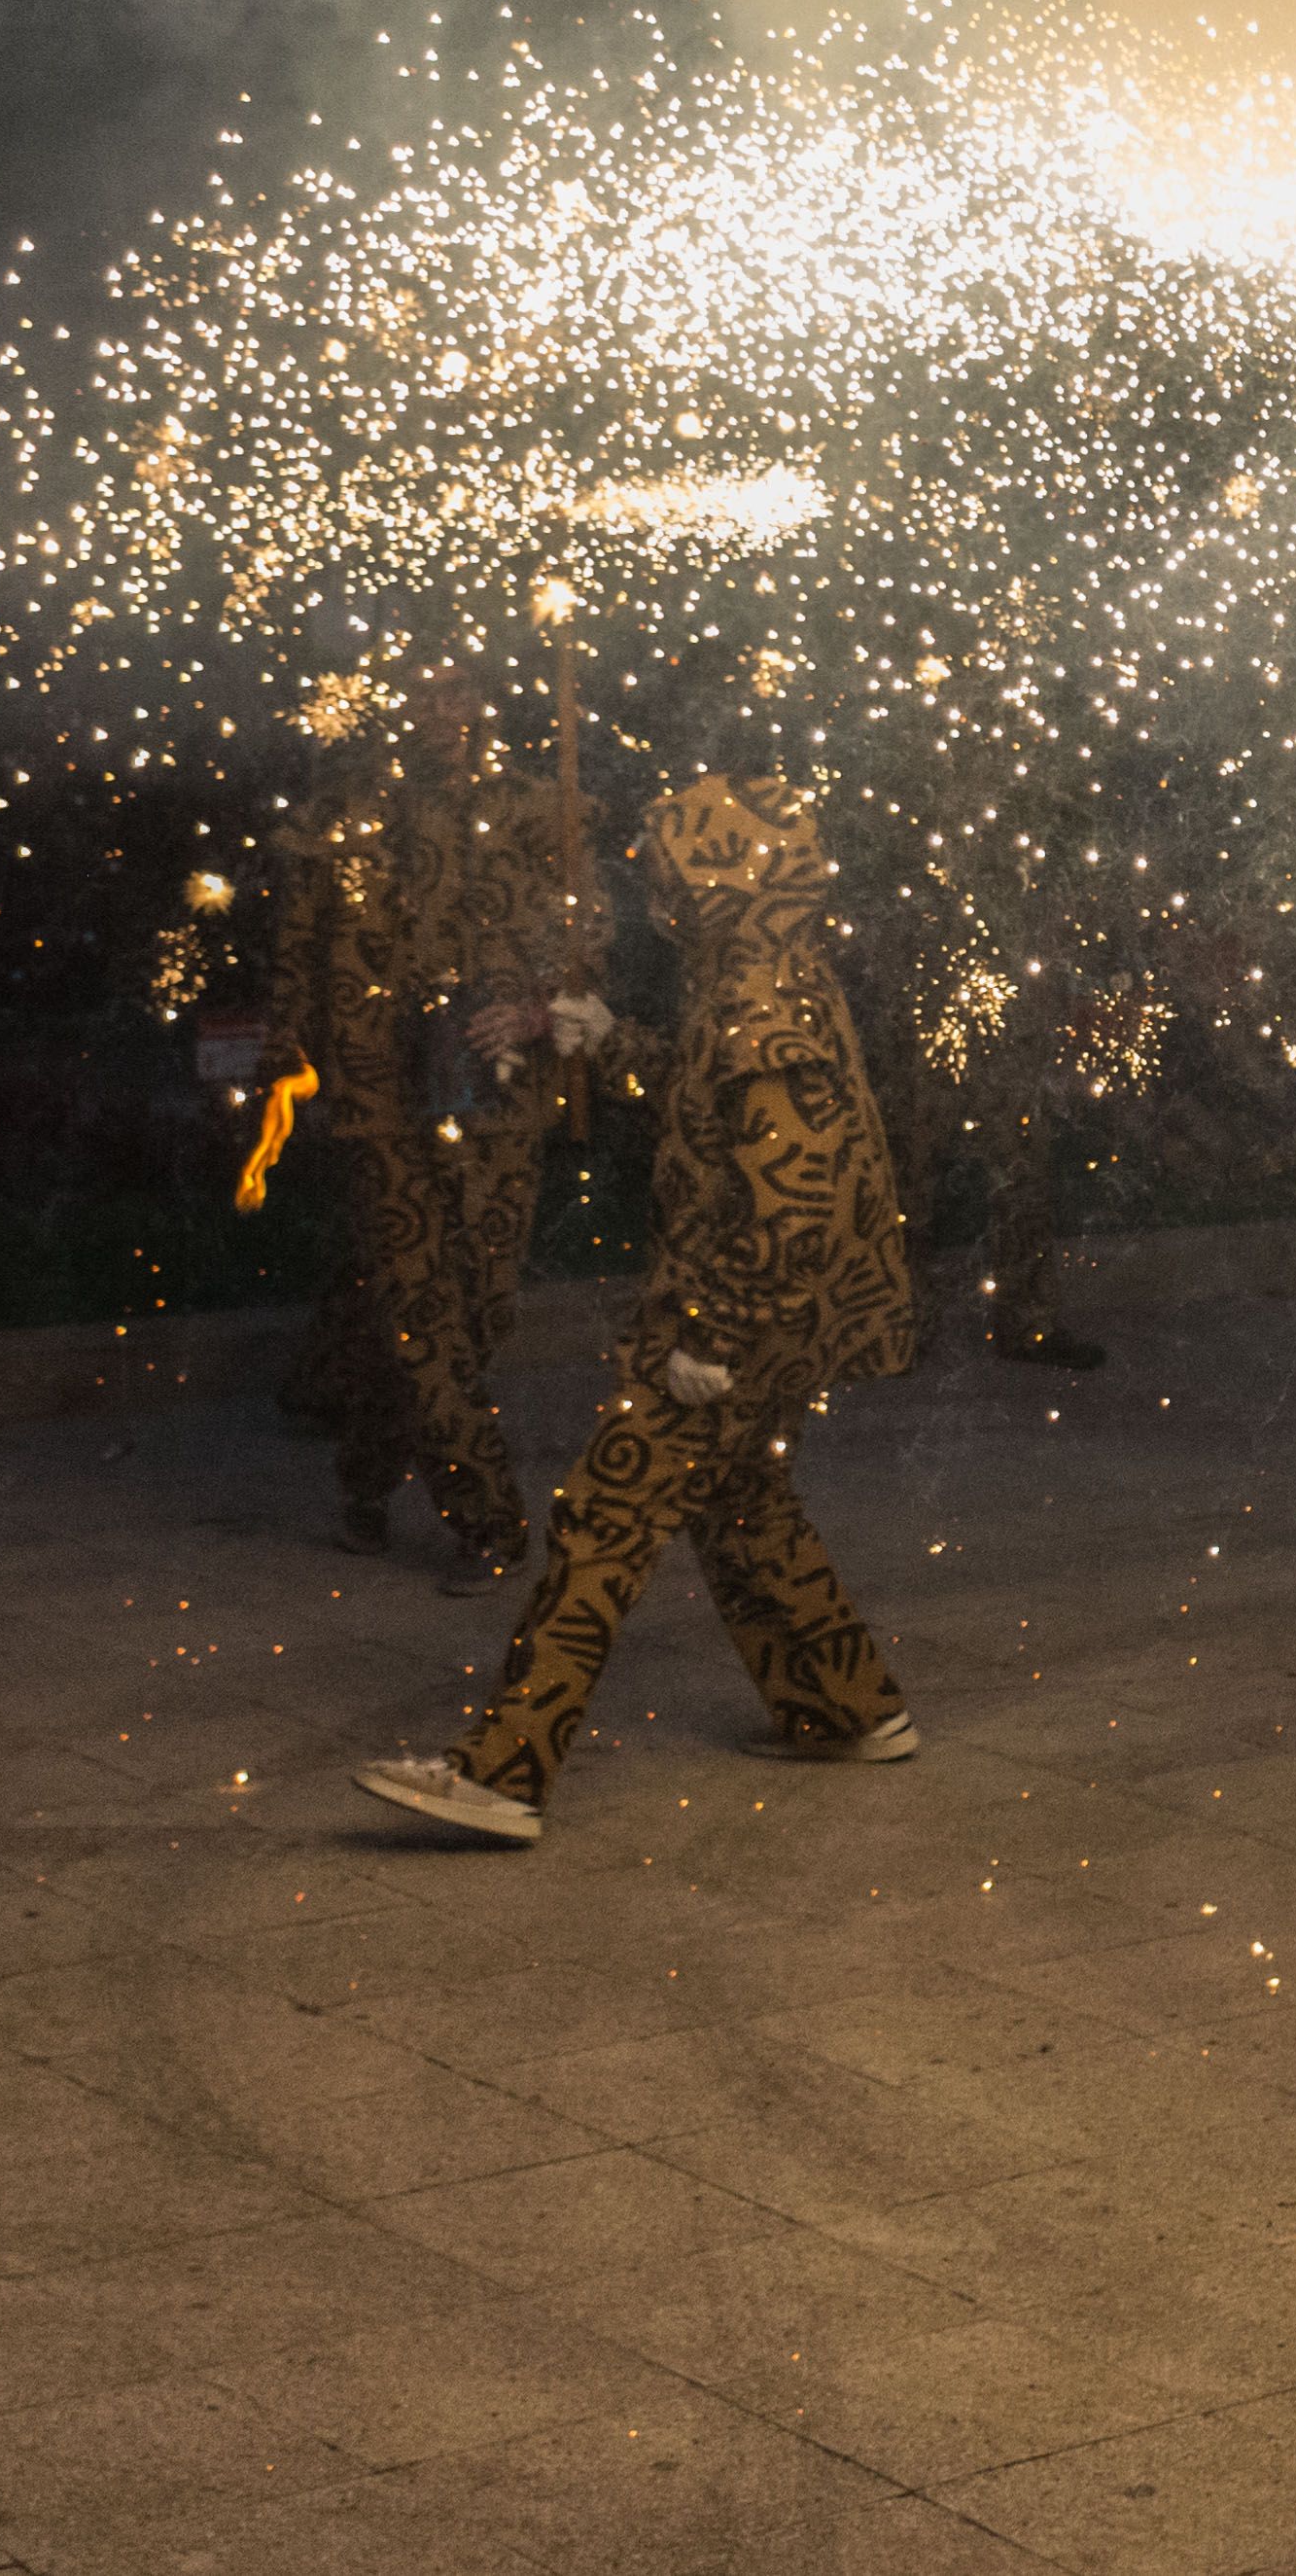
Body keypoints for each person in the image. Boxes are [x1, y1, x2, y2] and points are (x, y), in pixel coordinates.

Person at [350, 774, 923, 1844]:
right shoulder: (765, 978)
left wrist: (715, 1338)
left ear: (713, 888)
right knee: (743, 1500)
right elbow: (715, 1107)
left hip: (740, 1314)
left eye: (674, 877)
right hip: (766, 1312)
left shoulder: (758, 1006)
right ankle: (851, 1708)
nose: (659, 899)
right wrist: (611, 1038)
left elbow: (790, 1202)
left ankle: (504, 1772)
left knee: (601, 1520)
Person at [262, 670, 589, 1582]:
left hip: (497, 1095)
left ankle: (366, 1468)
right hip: (380, 1101)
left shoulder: (536, 804)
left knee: (477, 1309)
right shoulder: (342, 808)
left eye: (458, 691)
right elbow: (296, 952)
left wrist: (539, 1010)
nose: (442, 710)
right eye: (424, 691)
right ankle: (488, 1520)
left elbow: (585, 933)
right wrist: (286, 1079)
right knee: (418, 1310)